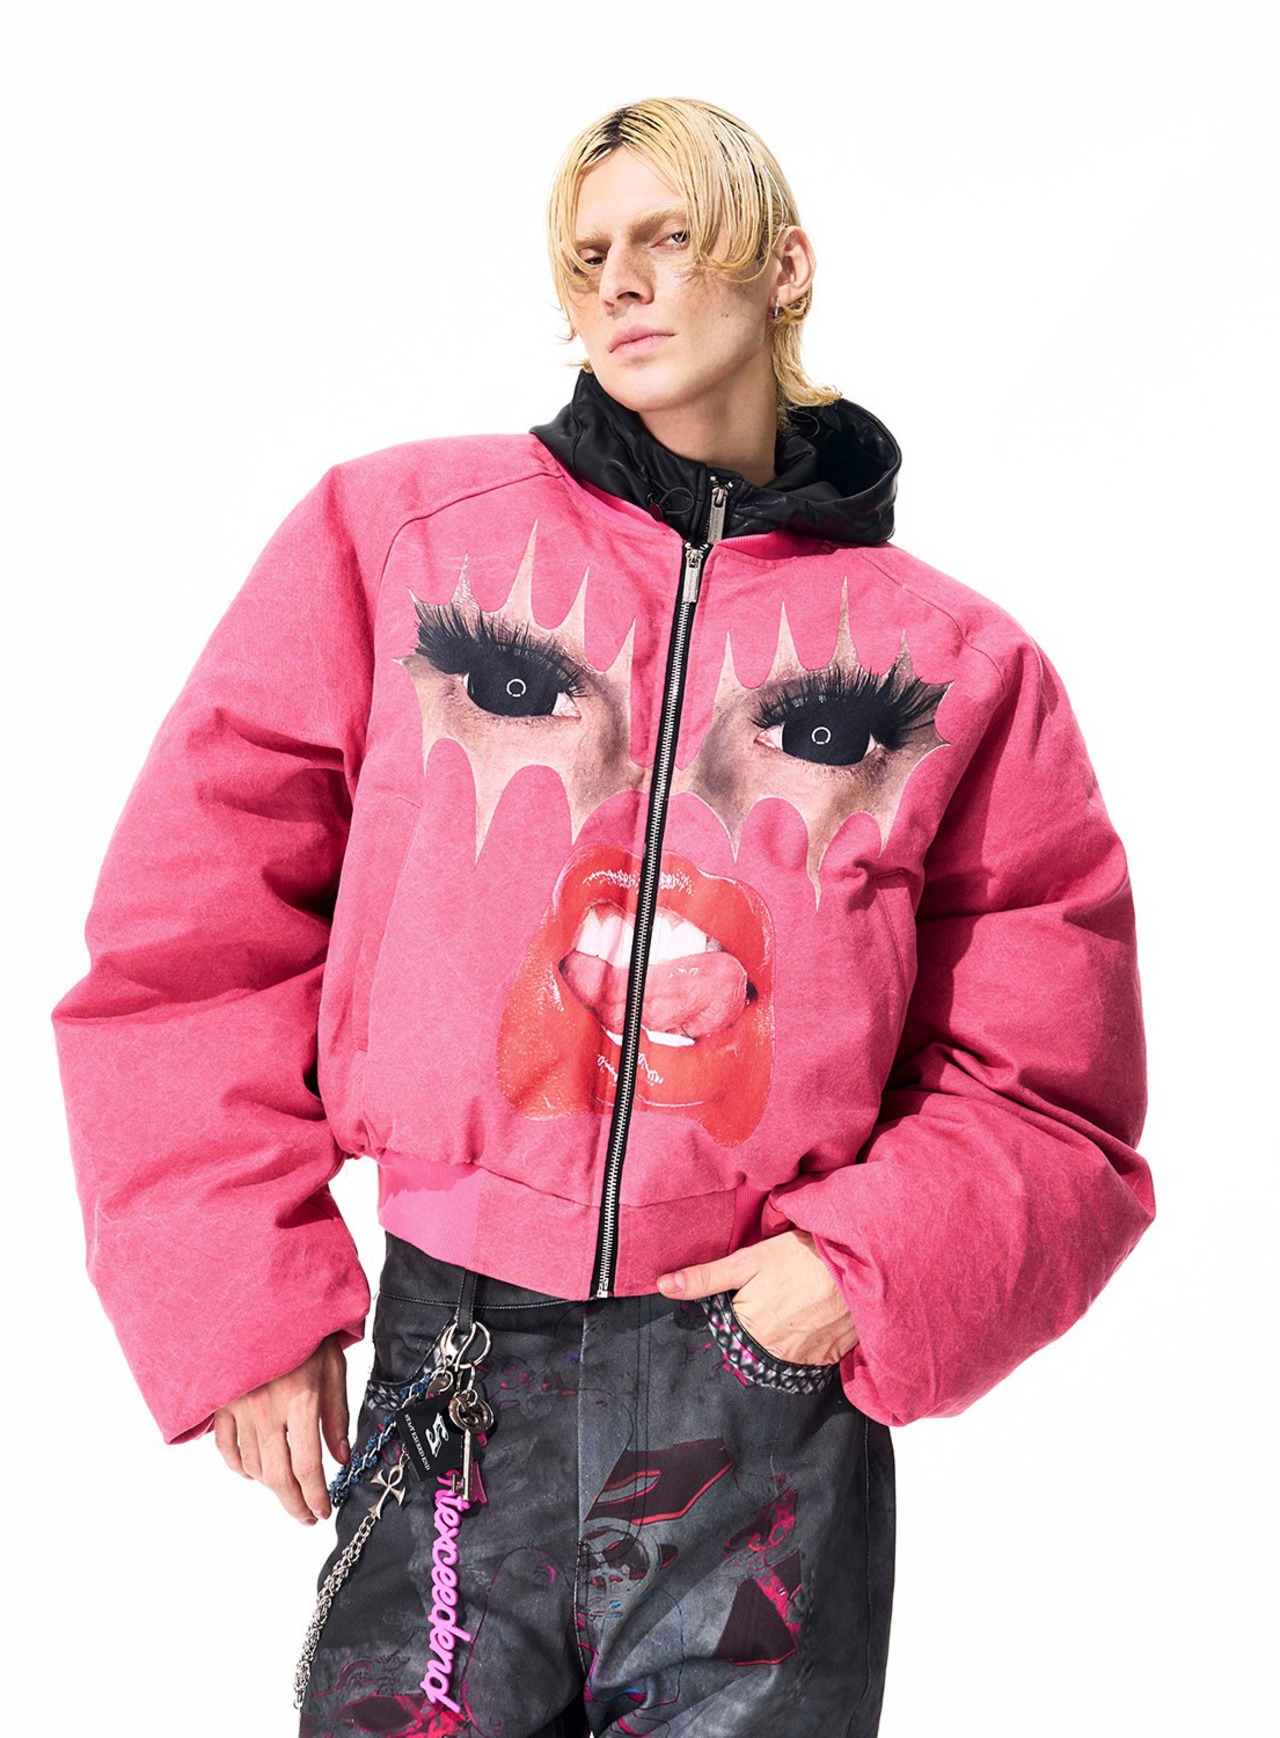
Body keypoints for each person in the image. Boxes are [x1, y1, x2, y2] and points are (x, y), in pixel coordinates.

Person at [49, 96, 1155, 1735]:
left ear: (783, 264)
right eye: (586, 257)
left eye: (668, 236)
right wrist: (240, 1295)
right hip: (455, 1360)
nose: (621, 282)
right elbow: (192, 929)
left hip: (756, 1392)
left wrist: (856, 1269)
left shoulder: (951, 667)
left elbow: (1051, 1082)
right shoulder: (400, 541)